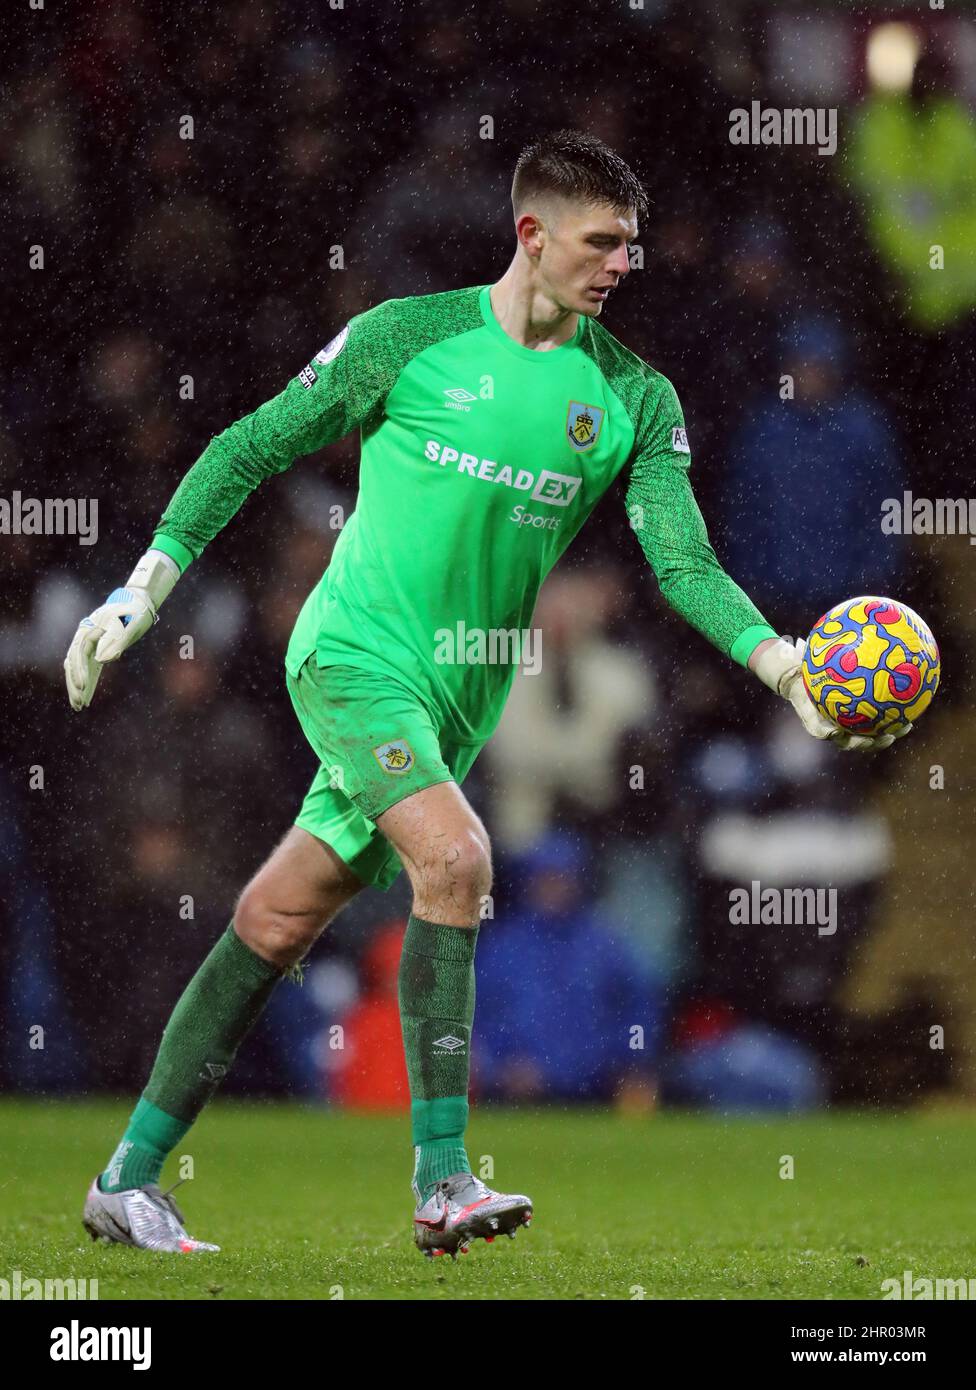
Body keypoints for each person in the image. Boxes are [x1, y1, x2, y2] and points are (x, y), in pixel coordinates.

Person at [63, 130, 907, 1262]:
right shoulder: (406, 340)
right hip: (354, 658)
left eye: (632, 246)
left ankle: (126, 1179)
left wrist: (782, 664)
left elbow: (684, 564)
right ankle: (444, 1178)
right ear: (532, 233)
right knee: (455, 861)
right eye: (602, 242)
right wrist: (142, 586)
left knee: (273, 920)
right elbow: (253, 445)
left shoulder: (631, 398)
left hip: (456, 703)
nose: (621, 264)